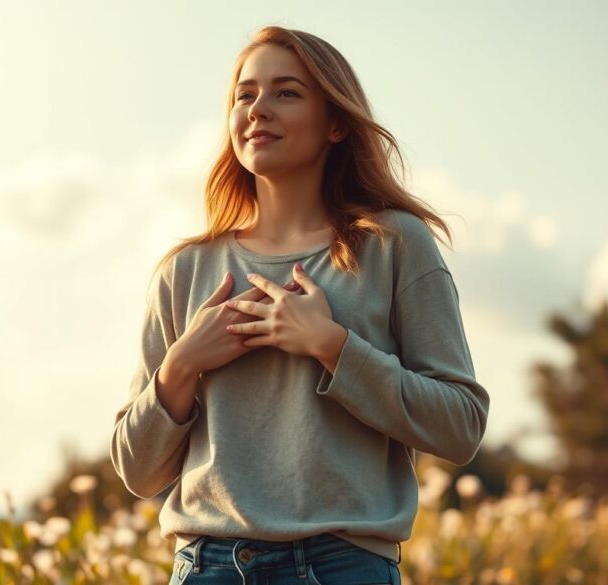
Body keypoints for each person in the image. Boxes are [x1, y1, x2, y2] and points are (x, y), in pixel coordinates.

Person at [111, 25, 490, 585]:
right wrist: (182, 364)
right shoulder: (184, 271)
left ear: (336, 122)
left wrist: (333, 346)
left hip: (344, 567)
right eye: (245, 94)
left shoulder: (393, 245)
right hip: (204, 568)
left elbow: (460, 426)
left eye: (286, 92)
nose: (258, 108)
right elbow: (138, 471)